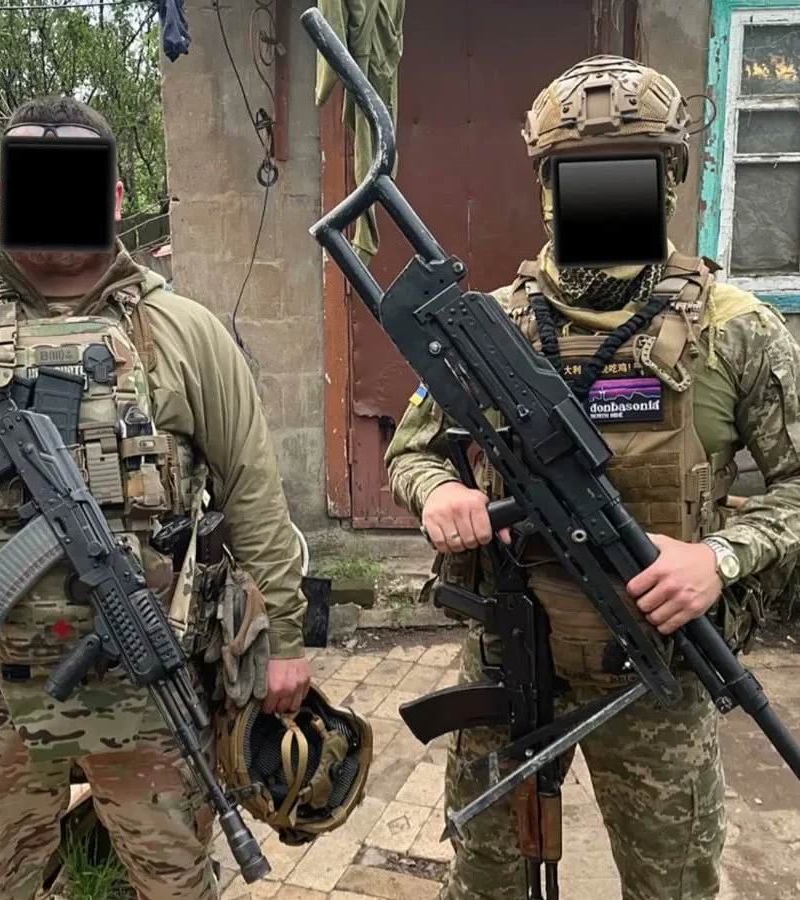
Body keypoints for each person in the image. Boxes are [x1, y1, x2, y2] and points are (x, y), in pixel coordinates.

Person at [385, 55, 800, 900]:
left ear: (670, 177)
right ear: (546, 186)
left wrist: (717, 558)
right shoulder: (491, 326)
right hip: (509, 652)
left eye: (628, 173)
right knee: (488, 879)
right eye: (577, 177)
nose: (601, 196)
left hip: (657, 670)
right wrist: (443, 494)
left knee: (673, 886)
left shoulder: (736, 331)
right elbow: (411, 452)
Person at [0, 96, 310, 899]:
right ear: (2, 196)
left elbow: (254, 492)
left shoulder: (183, 329)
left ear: (117, 197)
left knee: (177, 886)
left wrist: (284, 640)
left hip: (150, 694)